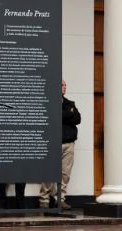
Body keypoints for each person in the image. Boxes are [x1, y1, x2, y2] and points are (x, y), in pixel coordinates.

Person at [39, 80, 81, 210]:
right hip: (53, 144)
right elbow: (52, 117)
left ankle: (60, 199)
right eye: (62, 85)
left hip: (68, 144)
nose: (64, 87)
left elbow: (77, 119)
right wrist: (69, 114)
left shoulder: (70, 103)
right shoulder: (49, 103)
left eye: (65, 85)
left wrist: (65, 115)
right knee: (49, 173)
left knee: (65, 174)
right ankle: (44, 200)